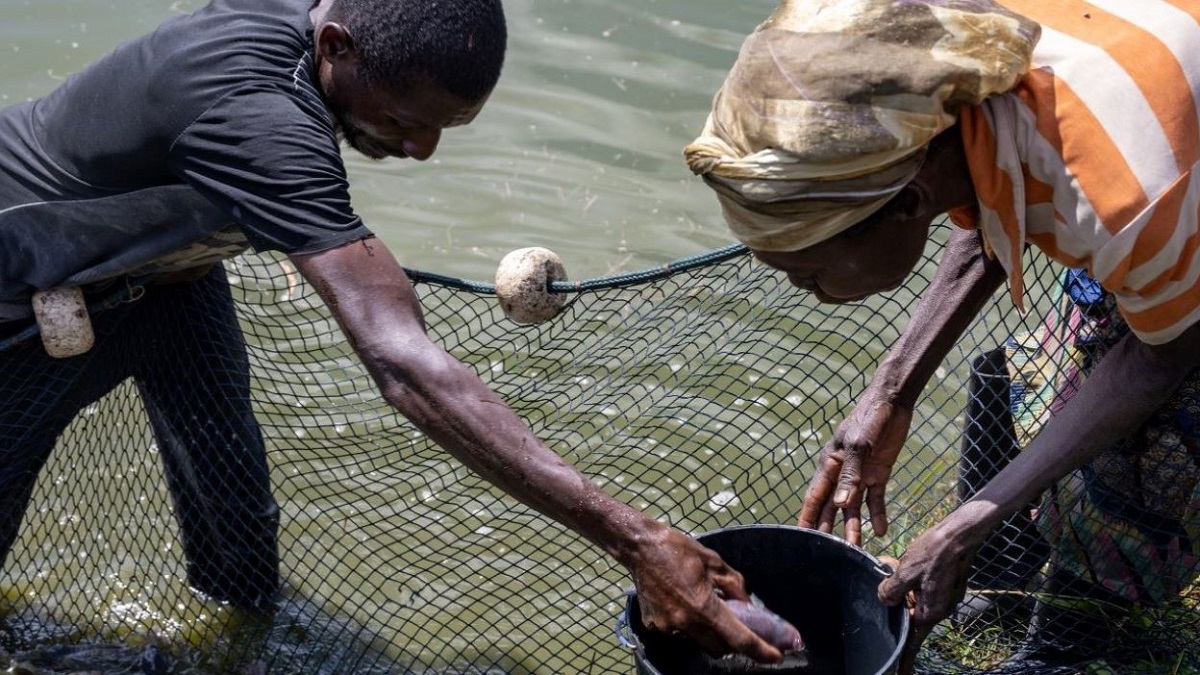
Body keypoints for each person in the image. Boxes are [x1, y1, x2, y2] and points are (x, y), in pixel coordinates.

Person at [0, 0, 783, 663]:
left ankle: (232, 647)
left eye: (446, 127)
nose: (420, 149)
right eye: (406, 119)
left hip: (174, 277)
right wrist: (636, 539)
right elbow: (405, 366)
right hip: (24, 292)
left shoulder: (330, 28)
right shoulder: (266, 119)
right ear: (336, 48)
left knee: (238, 536)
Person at [683, 0, 1200, 667]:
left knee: (1146, 444)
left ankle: (1081, 642)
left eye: (807, 271)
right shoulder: (949, 74)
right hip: (1171, 211)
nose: (804, 290)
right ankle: (1006, 587)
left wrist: (968, 523)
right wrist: (891, 391)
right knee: (1034, 381)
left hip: (1175, 203)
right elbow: (995, 195)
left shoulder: (1129, 193)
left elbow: (1167, 353)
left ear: (906, 203)